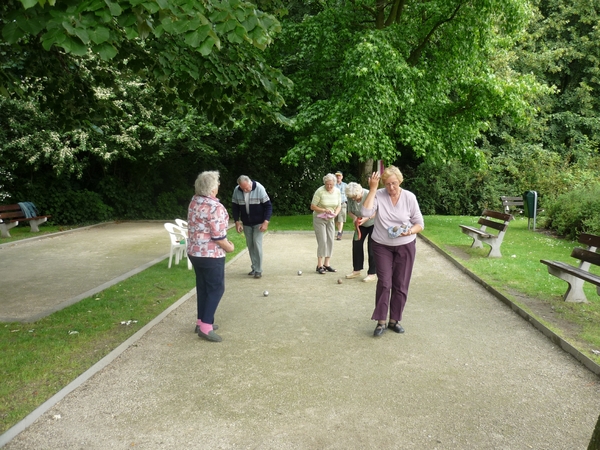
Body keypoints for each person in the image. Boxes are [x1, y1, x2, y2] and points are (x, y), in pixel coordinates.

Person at [361, 166, 424, 337]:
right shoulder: (379, 195)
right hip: (382, 245)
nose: (391, 188)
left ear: (400, 181)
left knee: (401, 283)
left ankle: (394, 320)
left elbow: (419, 223)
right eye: (387, 184)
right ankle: (381, 321)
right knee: (385, 282)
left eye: (394, 183)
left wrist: (410, 231)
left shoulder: (409, 197)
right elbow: (365, 212)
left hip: (405, 244)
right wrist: (373, 189)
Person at [187, 171, 235, 342]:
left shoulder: (194, 201)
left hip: (195, 252)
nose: (219, 185)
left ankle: (201, 321)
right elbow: (218, 236)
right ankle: (206, 327)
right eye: (217, 183)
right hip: (210, 255)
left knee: (203, 287)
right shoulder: (215, 207)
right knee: (216, 288)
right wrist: (229, 247)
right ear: (212, 188)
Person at [231, 175, 272, 279]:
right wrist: (237, 221)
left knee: (257, 244)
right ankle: (254, 267)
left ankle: (258, 270)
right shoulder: (237, 190)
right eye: (243, 188)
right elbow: (235, 207)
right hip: (246, 223)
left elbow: (268, 206)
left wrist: (266, 222)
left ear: (250, 182)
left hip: (259, 222)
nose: (245, 190)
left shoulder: (259, 188)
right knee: (250, 245)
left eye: (247, 188)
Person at [345, 182, 377, 282]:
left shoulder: (369, 194)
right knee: (356, 244)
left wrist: (366, 218)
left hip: (373, 223)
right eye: (352, 197)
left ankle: (372, 273)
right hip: (360, 224)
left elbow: (376, 211)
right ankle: (356, 270)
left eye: (355, 196)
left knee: (372, 247)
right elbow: (350, 211)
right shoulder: (350, 197)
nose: (354, 199)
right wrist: (355, 218)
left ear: (360, 191)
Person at [310, 173, 342, 274]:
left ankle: (327, 264)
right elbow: (313, 206)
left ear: (334, 183)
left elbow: (339, 205)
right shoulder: (320, 191)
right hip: (319, 218)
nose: (329, 186)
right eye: (327, 184)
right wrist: (324, 210)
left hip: (330, 219)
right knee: (322, 241)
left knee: (330, 241)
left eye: (331, 184)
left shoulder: (337, 191)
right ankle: (319, 265)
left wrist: (335, 214)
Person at [334, 171, 348, 240]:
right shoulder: (333, 185)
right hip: (334, 205)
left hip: (342, 204)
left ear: (342, 177)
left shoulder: (345, 185)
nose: (338, 177)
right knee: (335, 220)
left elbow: (348, 194)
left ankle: (339, 233)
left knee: (341, 219)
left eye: (339, 176)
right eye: (337, 176)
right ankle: (340, 229)